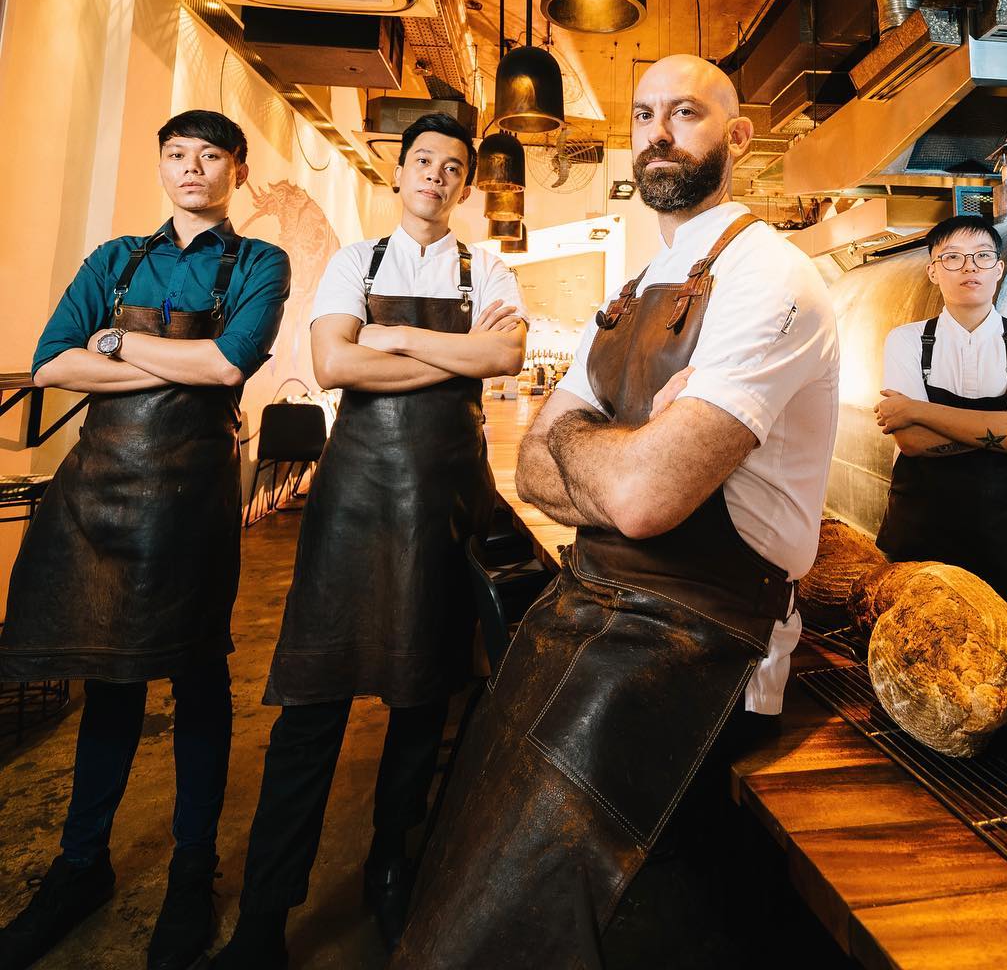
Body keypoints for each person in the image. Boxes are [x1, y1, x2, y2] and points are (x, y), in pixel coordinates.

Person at [393, 55, 840, 970]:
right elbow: (534, 468)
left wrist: (605, 448)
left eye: (686, 113)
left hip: (701, 644)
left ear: (738, 137)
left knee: (587, 923)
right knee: (474, 884)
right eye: (642, 115)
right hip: (587, 605)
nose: (658, 133)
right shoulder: (636, 288)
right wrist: (632, 445)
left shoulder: (771, 278)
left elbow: (641, 499)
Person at [210, 113, 525, 967]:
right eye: (423, 160)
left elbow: (505, 359)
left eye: (451, 167)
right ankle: (264, 916)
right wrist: (458, 352)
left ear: (465, 185)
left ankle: (391, 870)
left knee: (422, 703)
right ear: (400, 172)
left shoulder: (488, 268)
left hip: (445, 507)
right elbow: (335, 366)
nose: (435, 175)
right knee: (311, 706)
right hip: (352, 507)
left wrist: (394, 336)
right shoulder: (359, 261)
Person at [0, 110, 290, 970]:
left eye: (210, 155)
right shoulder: (116, 257)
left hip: (192, 503)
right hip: (99, 497)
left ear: (237, 169)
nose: (191, 168)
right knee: (109, 681)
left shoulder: (259, 262)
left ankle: (192, 874)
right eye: (176, 154)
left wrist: (120, 341)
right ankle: (79, 866)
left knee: (197, 682)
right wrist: (173, 361)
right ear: (162, 165)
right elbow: (53, 362)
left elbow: (228, 365)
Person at [873, 214, 1007, 609]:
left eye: (982, 256)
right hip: (921, 541)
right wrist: (1006, 432)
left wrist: (917, 410)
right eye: (952, 258)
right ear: (933, 271)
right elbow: (912, 442)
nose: (969, 267)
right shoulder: (907, 341)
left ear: (998, 269)